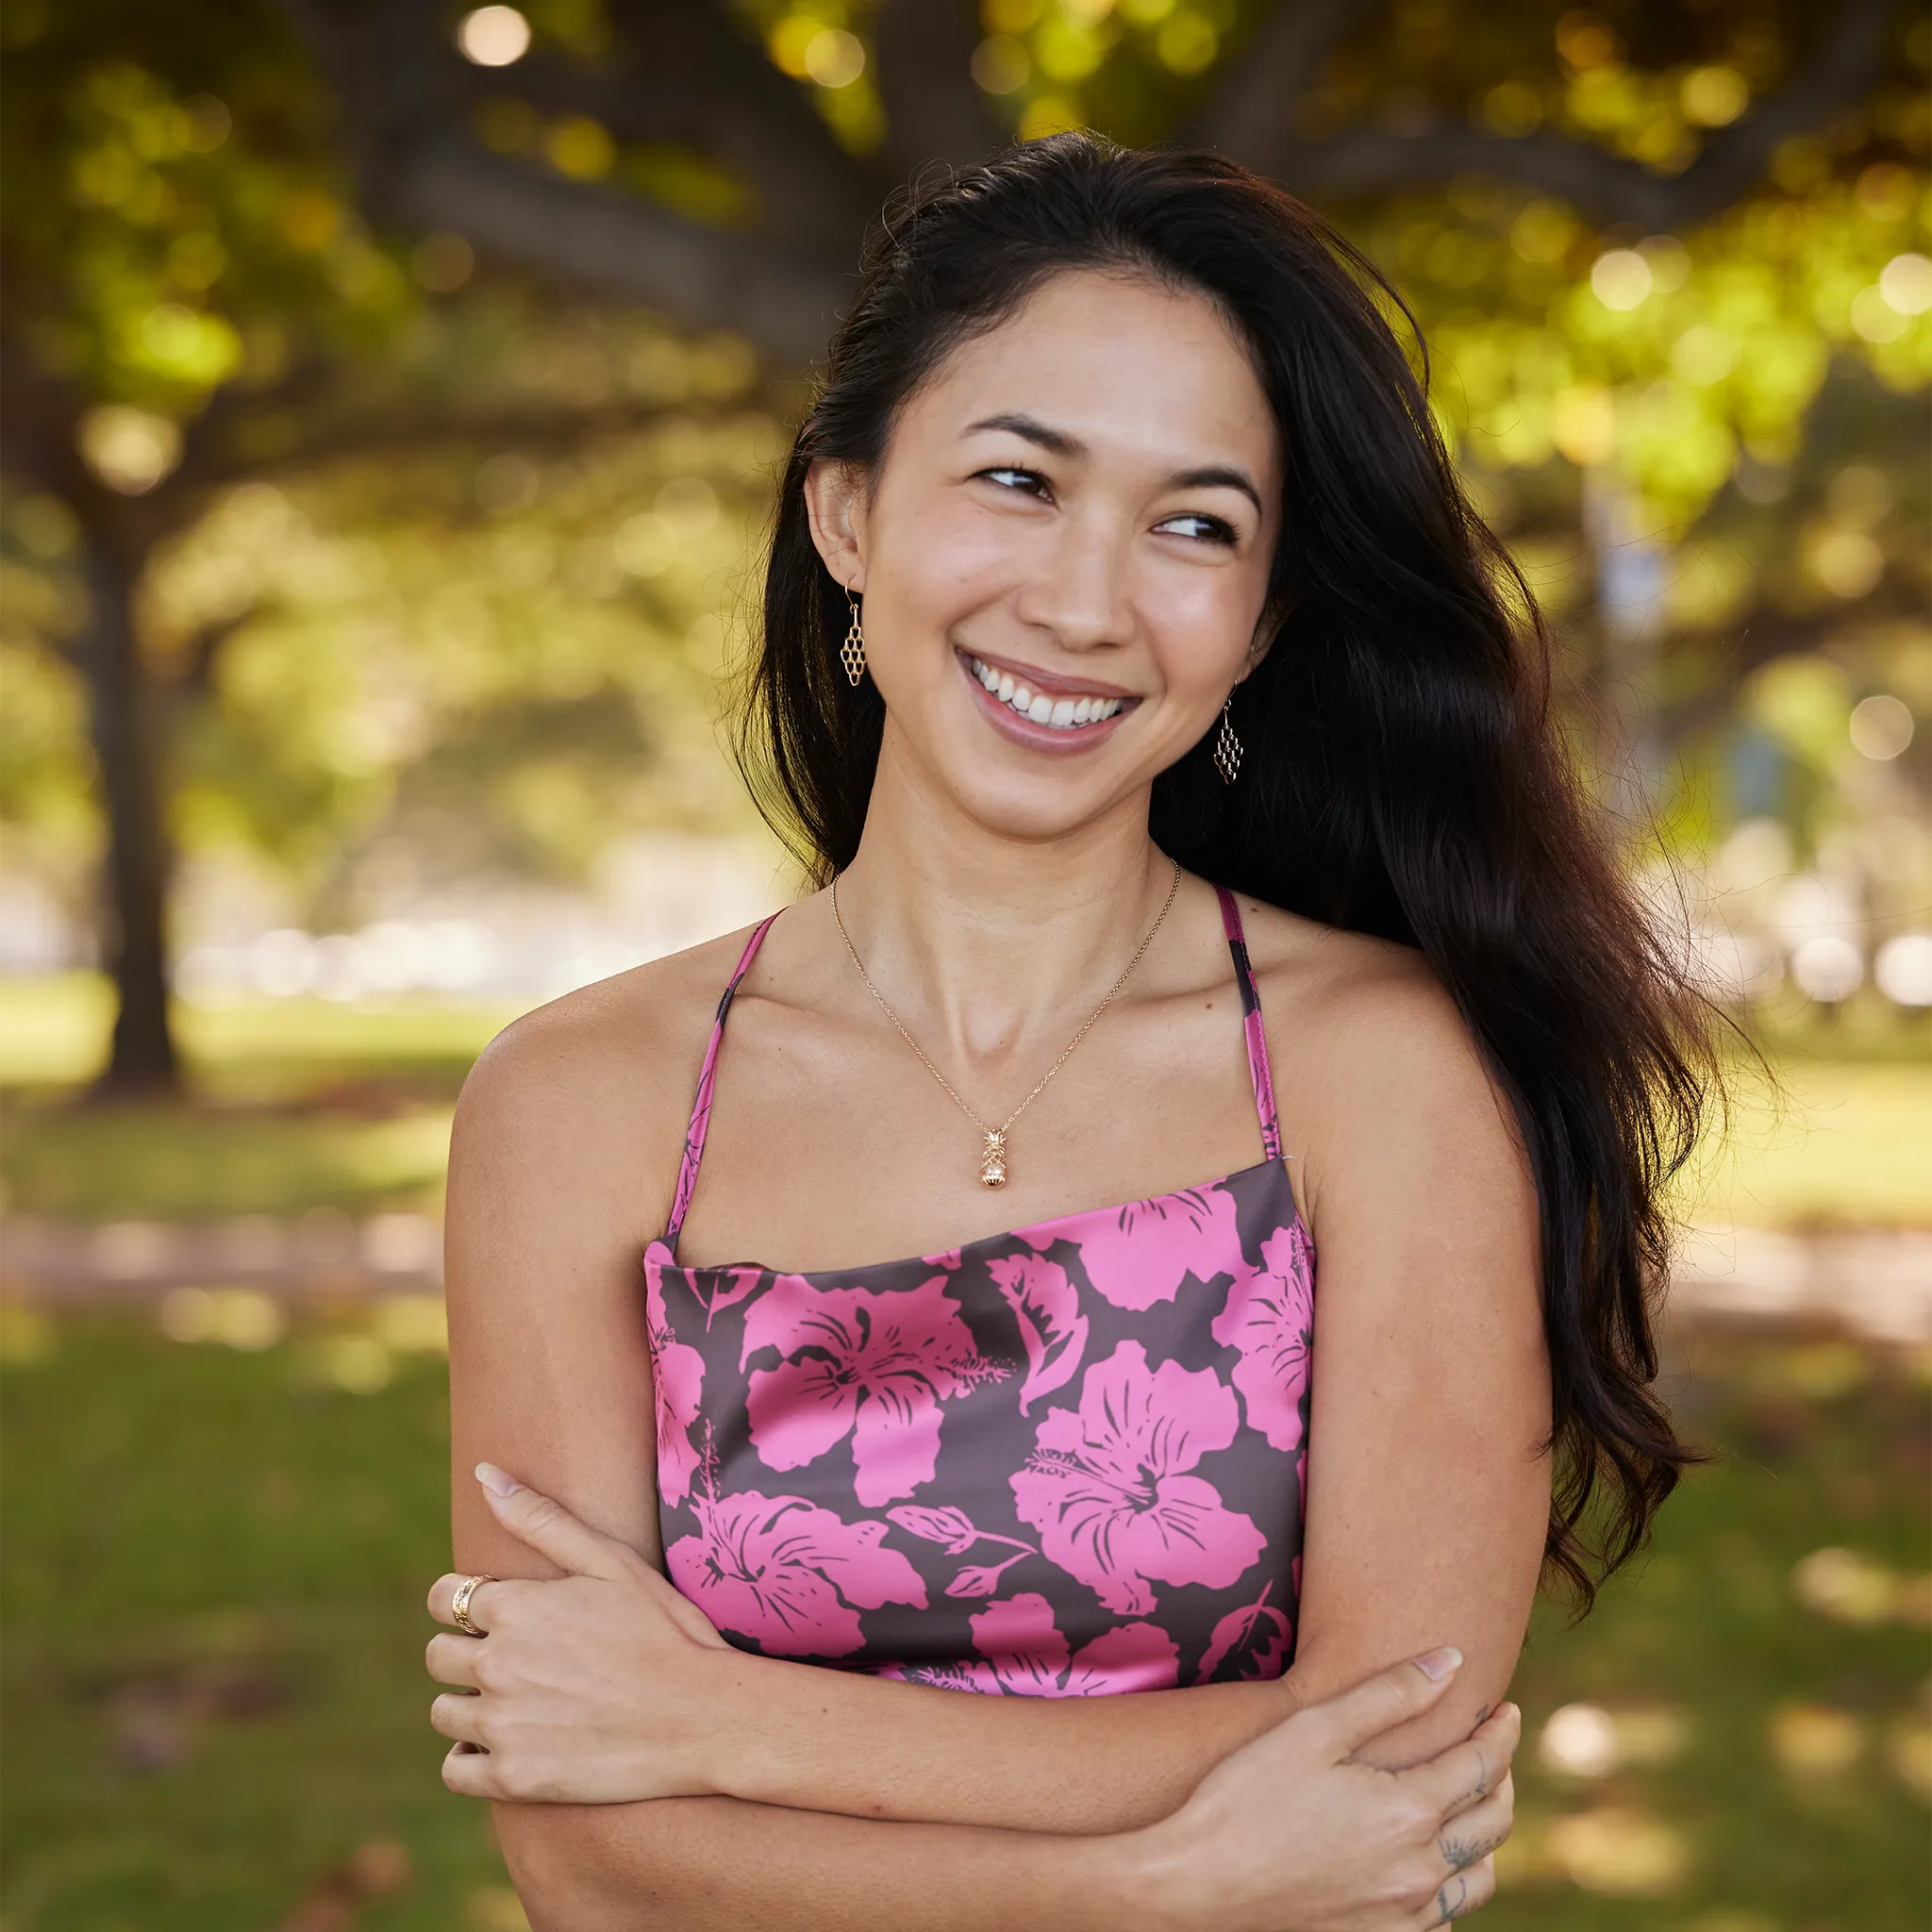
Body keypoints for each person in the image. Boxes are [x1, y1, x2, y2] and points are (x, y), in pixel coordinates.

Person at [423, 134, 1709, 1930]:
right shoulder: (577, 1105)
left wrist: (716, 1720)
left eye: (1194, 525)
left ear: (1256, 623)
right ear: (846, 513)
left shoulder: (1383, 1071)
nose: (1090, 602)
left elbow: (1394, 1747)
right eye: (1020, 480)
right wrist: (1175, 1887)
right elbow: (593, 1861)